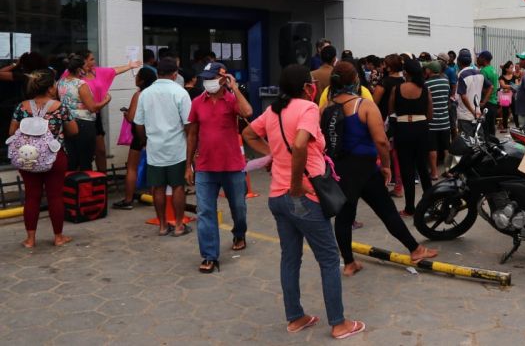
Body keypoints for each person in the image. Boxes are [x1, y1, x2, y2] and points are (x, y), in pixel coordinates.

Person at [242, 65, 365, 339]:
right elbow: (299, 144)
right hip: (303, 197)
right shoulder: (307, 108)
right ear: (306, 87)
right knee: (330, 259)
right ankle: (338, 323)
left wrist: (272, 154)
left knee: (290, 258)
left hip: (277, 198)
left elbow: (248, 134)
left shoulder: (273, 110)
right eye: (311, 83)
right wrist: (296, 182)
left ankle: (296, 317)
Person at [324, 62, 438, 276]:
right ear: (355, 80)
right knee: (387, 211)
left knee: (344, 217)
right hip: (365, 168)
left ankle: (348, 263)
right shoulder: (363, 105)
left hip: (340, 168)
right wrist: (385, 166)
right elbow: (381, 141)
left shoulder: (327, 107)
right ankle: (415, 249)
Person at [185, 62, 253, 273]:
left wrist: (234, 88)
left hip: (232, 165)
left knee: (239, 208)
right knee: (205, 211)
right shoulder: (197, 102)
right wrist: (188, 165)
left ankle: (239, 233)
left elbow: (248, 111)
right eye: (206, 78)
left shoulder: (232, 100)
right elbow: (193, 134)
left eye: (212, 78)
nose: (208, 82)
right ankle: (209, 255)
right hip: (205, 166)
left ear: (223, 78)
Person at [10, 70, 78, 248]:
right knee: (55, 196)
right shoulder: (60, 107)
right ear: (49, 89)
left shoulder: (21, 107)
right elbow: (74, 131)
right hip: (55, 156)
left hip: (28, 157)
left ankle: (30, 239)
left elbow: (12, 132)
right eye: (54, 85)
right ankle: (58, 237)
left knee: (32, 196)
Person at [133, 58, 192, 237]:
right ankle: (179, 224)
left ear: (158, 73)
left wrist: (144, 141)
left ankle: (163, 226)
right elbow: (189, 124)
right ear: (175, 74)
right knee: (178, 187)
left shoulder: (145, 93)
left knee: (157, 188)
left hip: (154, 148)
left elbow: (138, 123)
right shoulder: (180, 93)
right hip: (177, 148)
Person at [75, 50, 141, 172]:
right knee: (82, 152)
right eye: (91, 59)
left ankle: (101, 179)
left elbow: (113, 71)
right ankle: (82, 181)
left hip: (95, 114)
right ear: (83, 61)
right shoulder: (74, 75)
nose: (94, 61)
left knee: (100, 150)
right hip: (79, 117)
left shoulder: (96, 72)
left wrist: (130, 66)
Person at [390, 59, 433, 217]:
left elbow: (391, 111)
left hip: (402, 129)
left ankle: (409, 208)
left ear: (406, 72)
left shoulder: (397, 89)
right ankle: (430, 203)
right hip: (421, 128)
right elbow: (430, 114)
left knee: (407, 169)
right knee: (423, 168)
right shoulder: (425, 89)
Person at [112, 67, 157, 210]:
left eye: (137, 76)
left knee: (132, 168)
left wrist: (126, 114)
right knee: (153, 167)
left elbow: (132, 117)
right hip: (154, 134)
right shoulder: (156, 93)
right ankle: (153, 195)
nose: (135, 78)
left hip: (140, 135)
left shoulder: (139, 94)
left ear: (142, 80)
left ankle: (128, 199)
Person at [57, 54, 111, 170]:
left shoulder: (60, 82)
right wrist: (106, 100)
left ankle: (71, 185)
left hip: (67, 123)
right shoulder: (80, 84)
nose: (87, 69)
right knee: (85, 161)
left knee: (72, 159)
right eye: (85, 67)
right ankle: (84, 186)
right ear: (78, 70)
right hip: (83, 124)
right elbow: (92, 108)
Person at [373, 54, 405, 198]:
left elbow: (373, 104)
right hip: (401, 120)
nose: (382, 67)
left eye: (384, 64)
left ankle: (380, 184)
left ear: (389, 67)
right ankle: (398, 186)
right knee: (397, 154)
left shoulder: (384, 82)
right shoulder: (404, 80)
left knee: (381, 152)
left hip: (384, 121)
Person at [424, 60, 451, 180]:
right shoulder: (446, 81)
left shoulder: (426, 84)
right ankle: (448, 171)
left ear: (429, 70)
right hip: (445, 120)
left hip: (432, 122)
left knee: (432, 148)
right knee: (446, 147)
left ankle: (434, 173)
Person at [454, 50, 489, 136]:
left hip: (465, 115)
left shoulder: (462, 75)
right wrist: (483, 102)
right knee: (478, 140)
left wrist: (472, 111)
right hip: (477, 114)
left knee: (467, 143)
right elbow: (490, 87)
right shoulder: (479, 73)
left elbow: (463, 96)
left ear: (458, 61)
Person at [477, 51, 499, 138]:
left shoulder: (483, 71)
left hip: (487, 103)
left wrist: (483, 102)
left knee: (485, 131)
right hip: (493, 102)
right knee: (491, 129)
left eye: (479, 58)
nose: (477, 59)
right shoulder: (493, 69)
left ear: (483, 59)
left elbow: (486, 88)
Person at [499, 61, 516, 129]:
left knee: (515, 112)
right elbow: (503, 85)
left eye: (512, 68)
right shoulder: (502, 77)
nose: (512, 69)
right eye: (511, 68)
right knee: (505, 112)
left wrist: (509, 87)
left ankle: (517, 126)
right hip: (504, 96)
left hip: (512, 95)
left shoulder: (514, 76)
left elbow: (517, 85)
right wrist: (512, 86)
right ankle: (505, 126)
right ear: (506, 69)